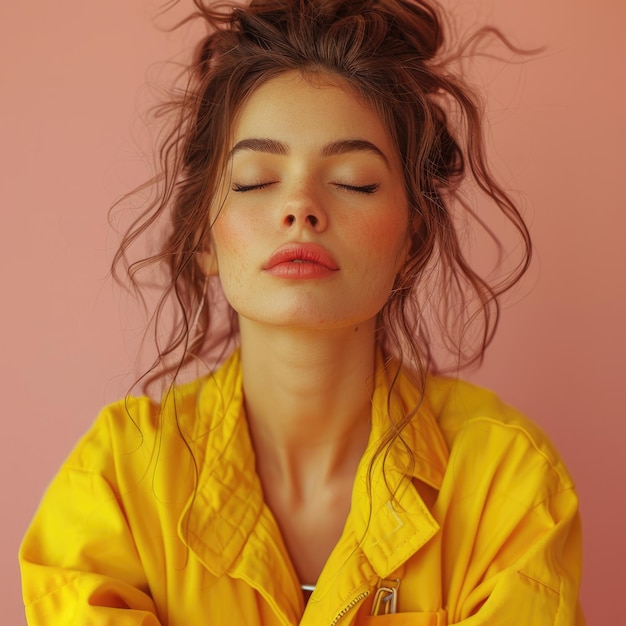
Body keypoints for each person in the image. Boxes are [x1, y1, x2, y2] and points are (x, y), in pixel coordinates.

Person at [19, 0, 585, 623]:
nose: (300, 208)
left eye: (354, 181)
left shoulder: (505, 480)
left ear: (412, 243)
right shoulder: (117, 479)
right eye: (256, 179)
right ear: (201, 239)